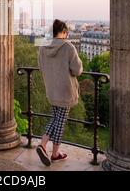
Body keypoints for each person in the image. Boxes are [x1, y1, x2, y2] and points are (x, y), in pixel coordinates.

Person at [36, 19, 83, 166]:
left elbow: (41, 66)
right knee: (60, 121)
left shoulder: (42, 47)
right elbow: (77, 70)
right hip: (65, 90)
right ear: (63, 32)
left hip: (51, 88)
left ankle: (46, 147)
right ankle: (51, 151)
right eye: (67, 33)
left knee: (56, 118)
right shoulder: (68, 47)